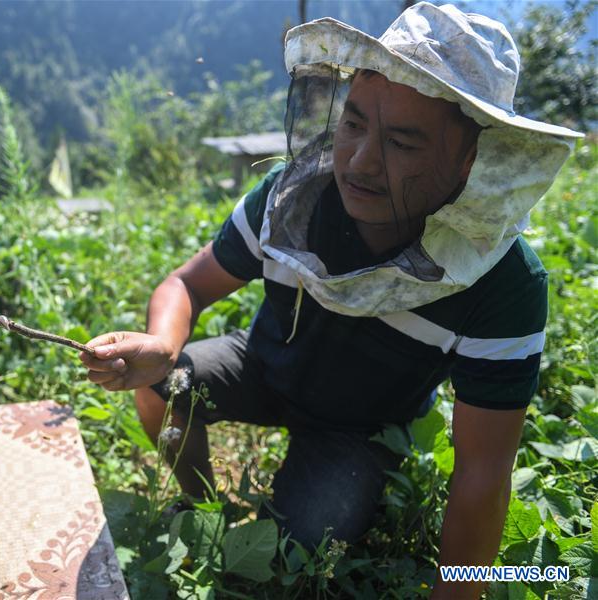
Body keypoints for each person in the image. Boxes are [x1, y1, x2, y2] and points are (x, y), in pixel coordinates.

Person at [78, 3, 582, 598]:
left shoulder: (502, 282)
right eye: (354, 124)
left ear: (469, 160)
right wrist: (162, 346)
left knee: (298, 546)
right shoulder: (292, 198)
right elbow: (186, 284)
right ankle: (200, 509)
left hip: (359, 429)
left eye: (402, 143)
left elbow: (482, 472)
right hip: (261, 366)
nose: (363, 161)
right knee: (163, 386)